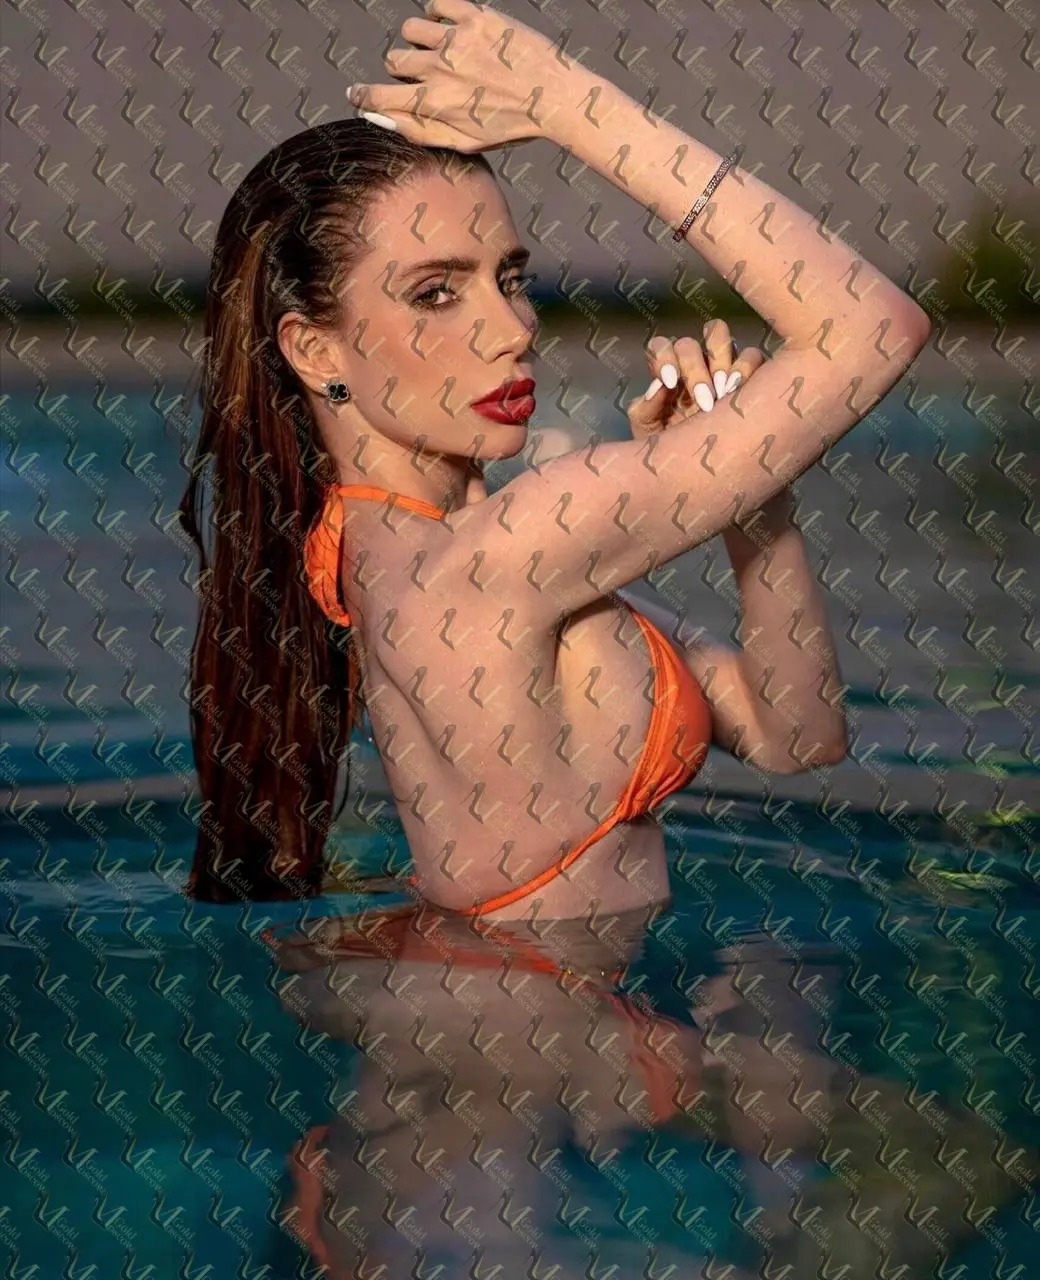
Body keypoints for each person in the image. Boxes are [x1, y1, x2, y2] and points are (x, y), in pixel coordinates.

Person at [179, 0, 928, 916]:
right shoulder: (501, 555)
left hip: (496, 995)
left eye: (511, 278)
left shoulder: (398, 557)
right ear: (315, 349)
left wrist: (753, 498)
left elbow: (796, 735)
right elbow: (871, 327)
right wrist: (567, 102)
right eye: (436, 293)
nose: (514, 327)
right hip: (548, 1009)